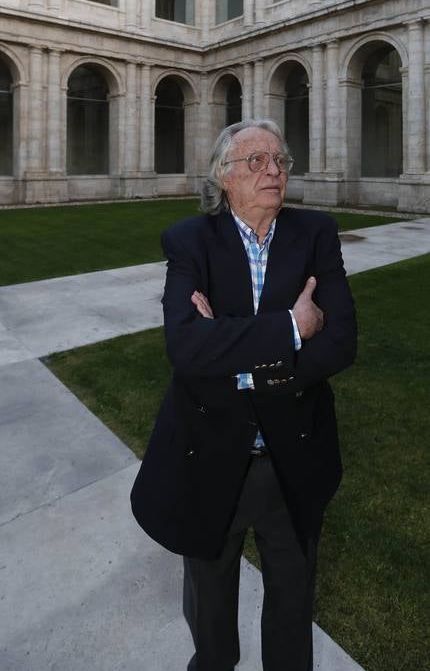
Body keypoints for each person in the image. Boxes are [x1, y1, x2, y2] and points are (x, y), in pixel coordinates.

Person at [131, 119, 357, 671]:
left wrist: (236, 355)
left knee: (293, 600)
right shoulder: (190, 241)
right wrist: (291, 329)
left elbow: (342, 341)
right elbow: (185, 347)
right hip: (211, 456)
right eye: (256, 161)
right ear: (224, 178)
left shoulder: (316, 235)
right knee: (210, 612)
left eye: (280, 160)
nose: (274, 171)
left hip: (293, 456)